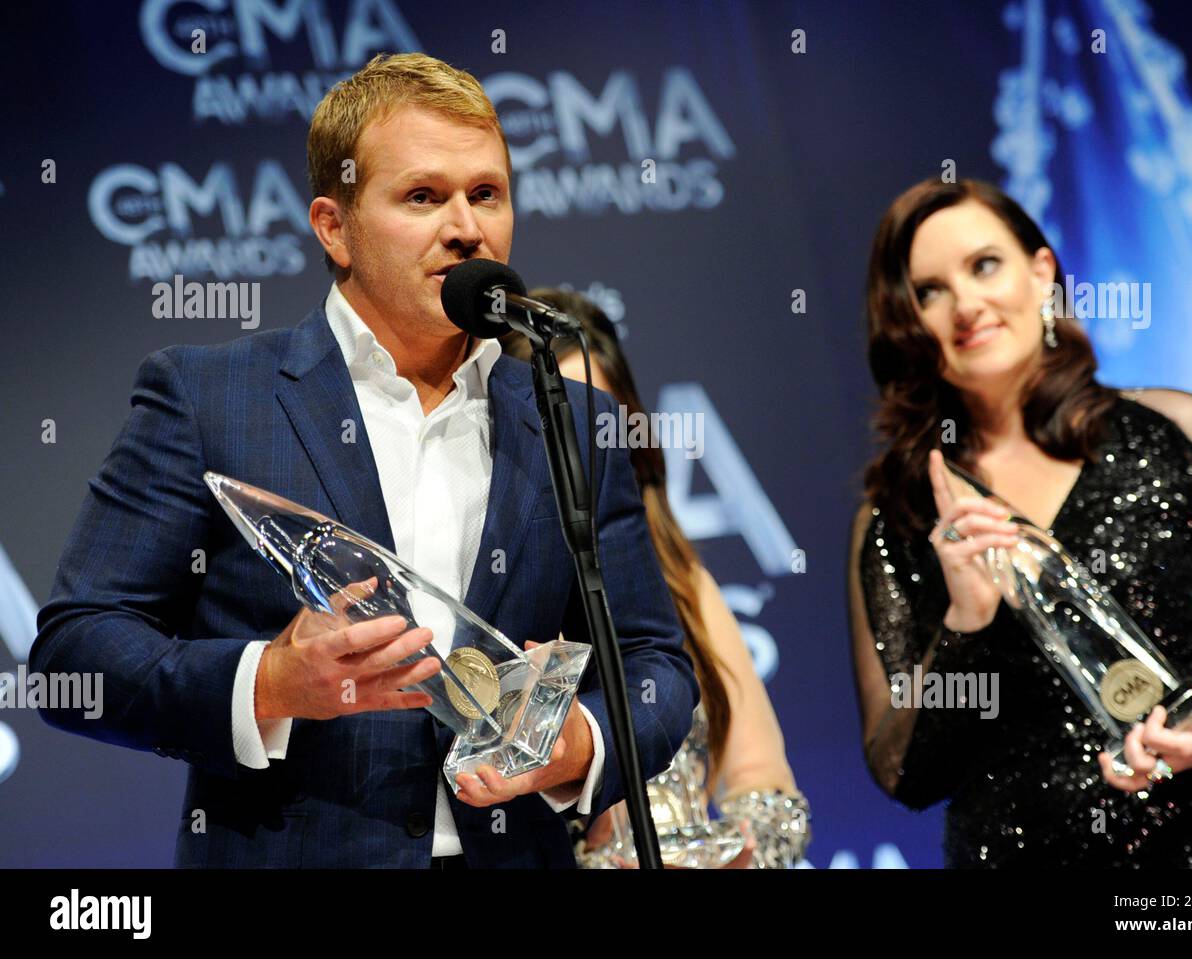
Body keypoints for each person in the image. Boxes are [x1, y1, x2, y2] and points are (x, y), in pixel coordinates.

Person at [31, 53, 698, 869]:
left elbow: (655, 665)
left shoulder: (572, 418)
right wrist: (270, 681)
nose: (466, 226)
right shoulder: (208, 397)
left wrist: (577, 742)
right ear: (333, 227)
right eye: (423, 196)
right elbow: (76, 652)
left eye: (486, 194)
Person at [848, 177, 1192, 867]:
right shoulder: (904, 514)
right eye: (928, 291)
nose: (965, 304)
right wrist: (965, 624)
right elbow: (902, 771)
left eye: (984, 265)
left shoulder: (1171, 429)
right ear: (906, 324)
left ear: (1041, 272)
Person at [500, 290, 811, 868]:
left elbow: (768, 791)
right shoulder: (492, 598)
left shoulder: (683, 582)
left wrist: (739, 853)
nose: (583, 454)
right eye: (558, 427)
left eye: (600, 423)